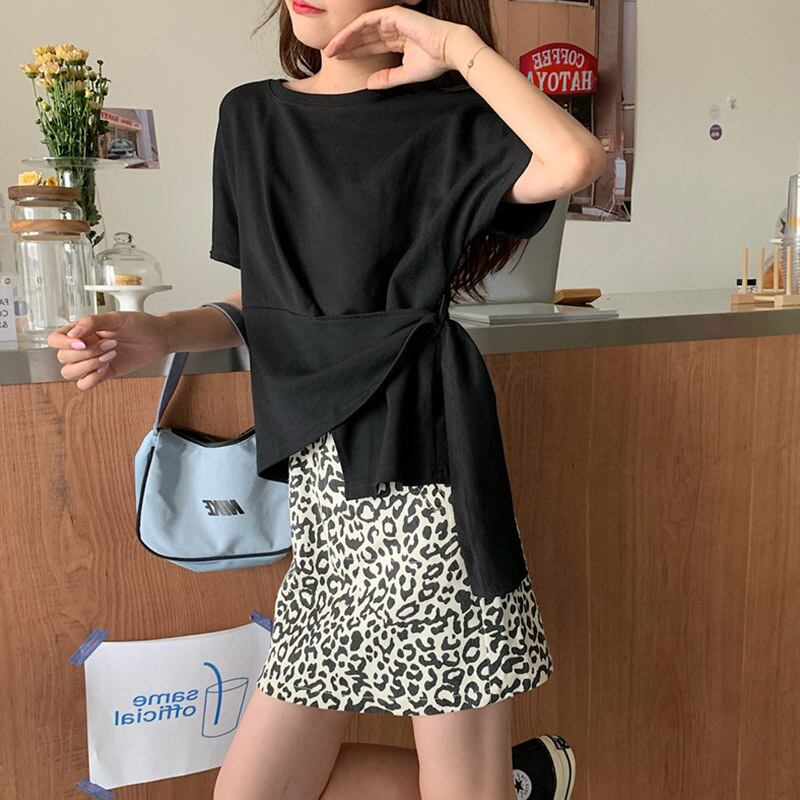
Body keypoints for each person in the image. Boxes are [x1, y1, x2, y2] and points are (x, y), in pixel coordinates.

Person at [48, 2, 605, 798]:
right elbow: (268, 301)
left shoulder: (453, 120)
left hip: (420, 468)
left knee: (458, 782)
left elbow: (576, 158)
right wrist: (161, 332)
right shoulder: (251, 117)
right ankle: (517, 782)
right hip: (321, 494)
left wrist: (457, 46)